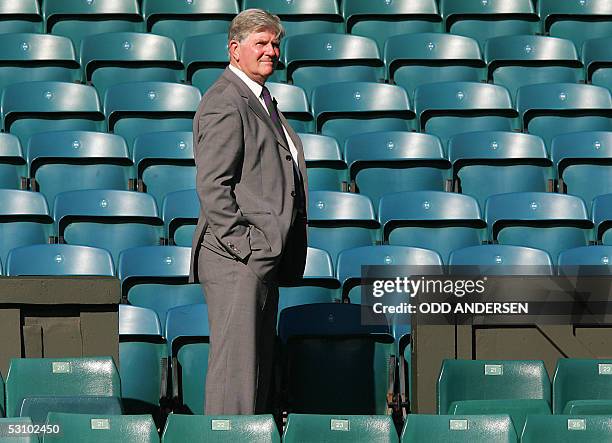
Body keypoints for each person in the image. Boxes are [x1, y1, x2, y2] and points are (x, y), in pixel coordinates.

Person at [189, 8, 308, 415]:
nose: (271, 51)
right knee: (234, 381)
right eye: (262, 42)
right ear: (234, 49)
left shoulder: (260, 98)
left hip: (257, 258)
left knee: (253, 376)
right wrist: (248, 246)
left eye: (275, 43)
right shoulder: (226, 100)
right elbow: (213, 187)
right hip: (236, 259)